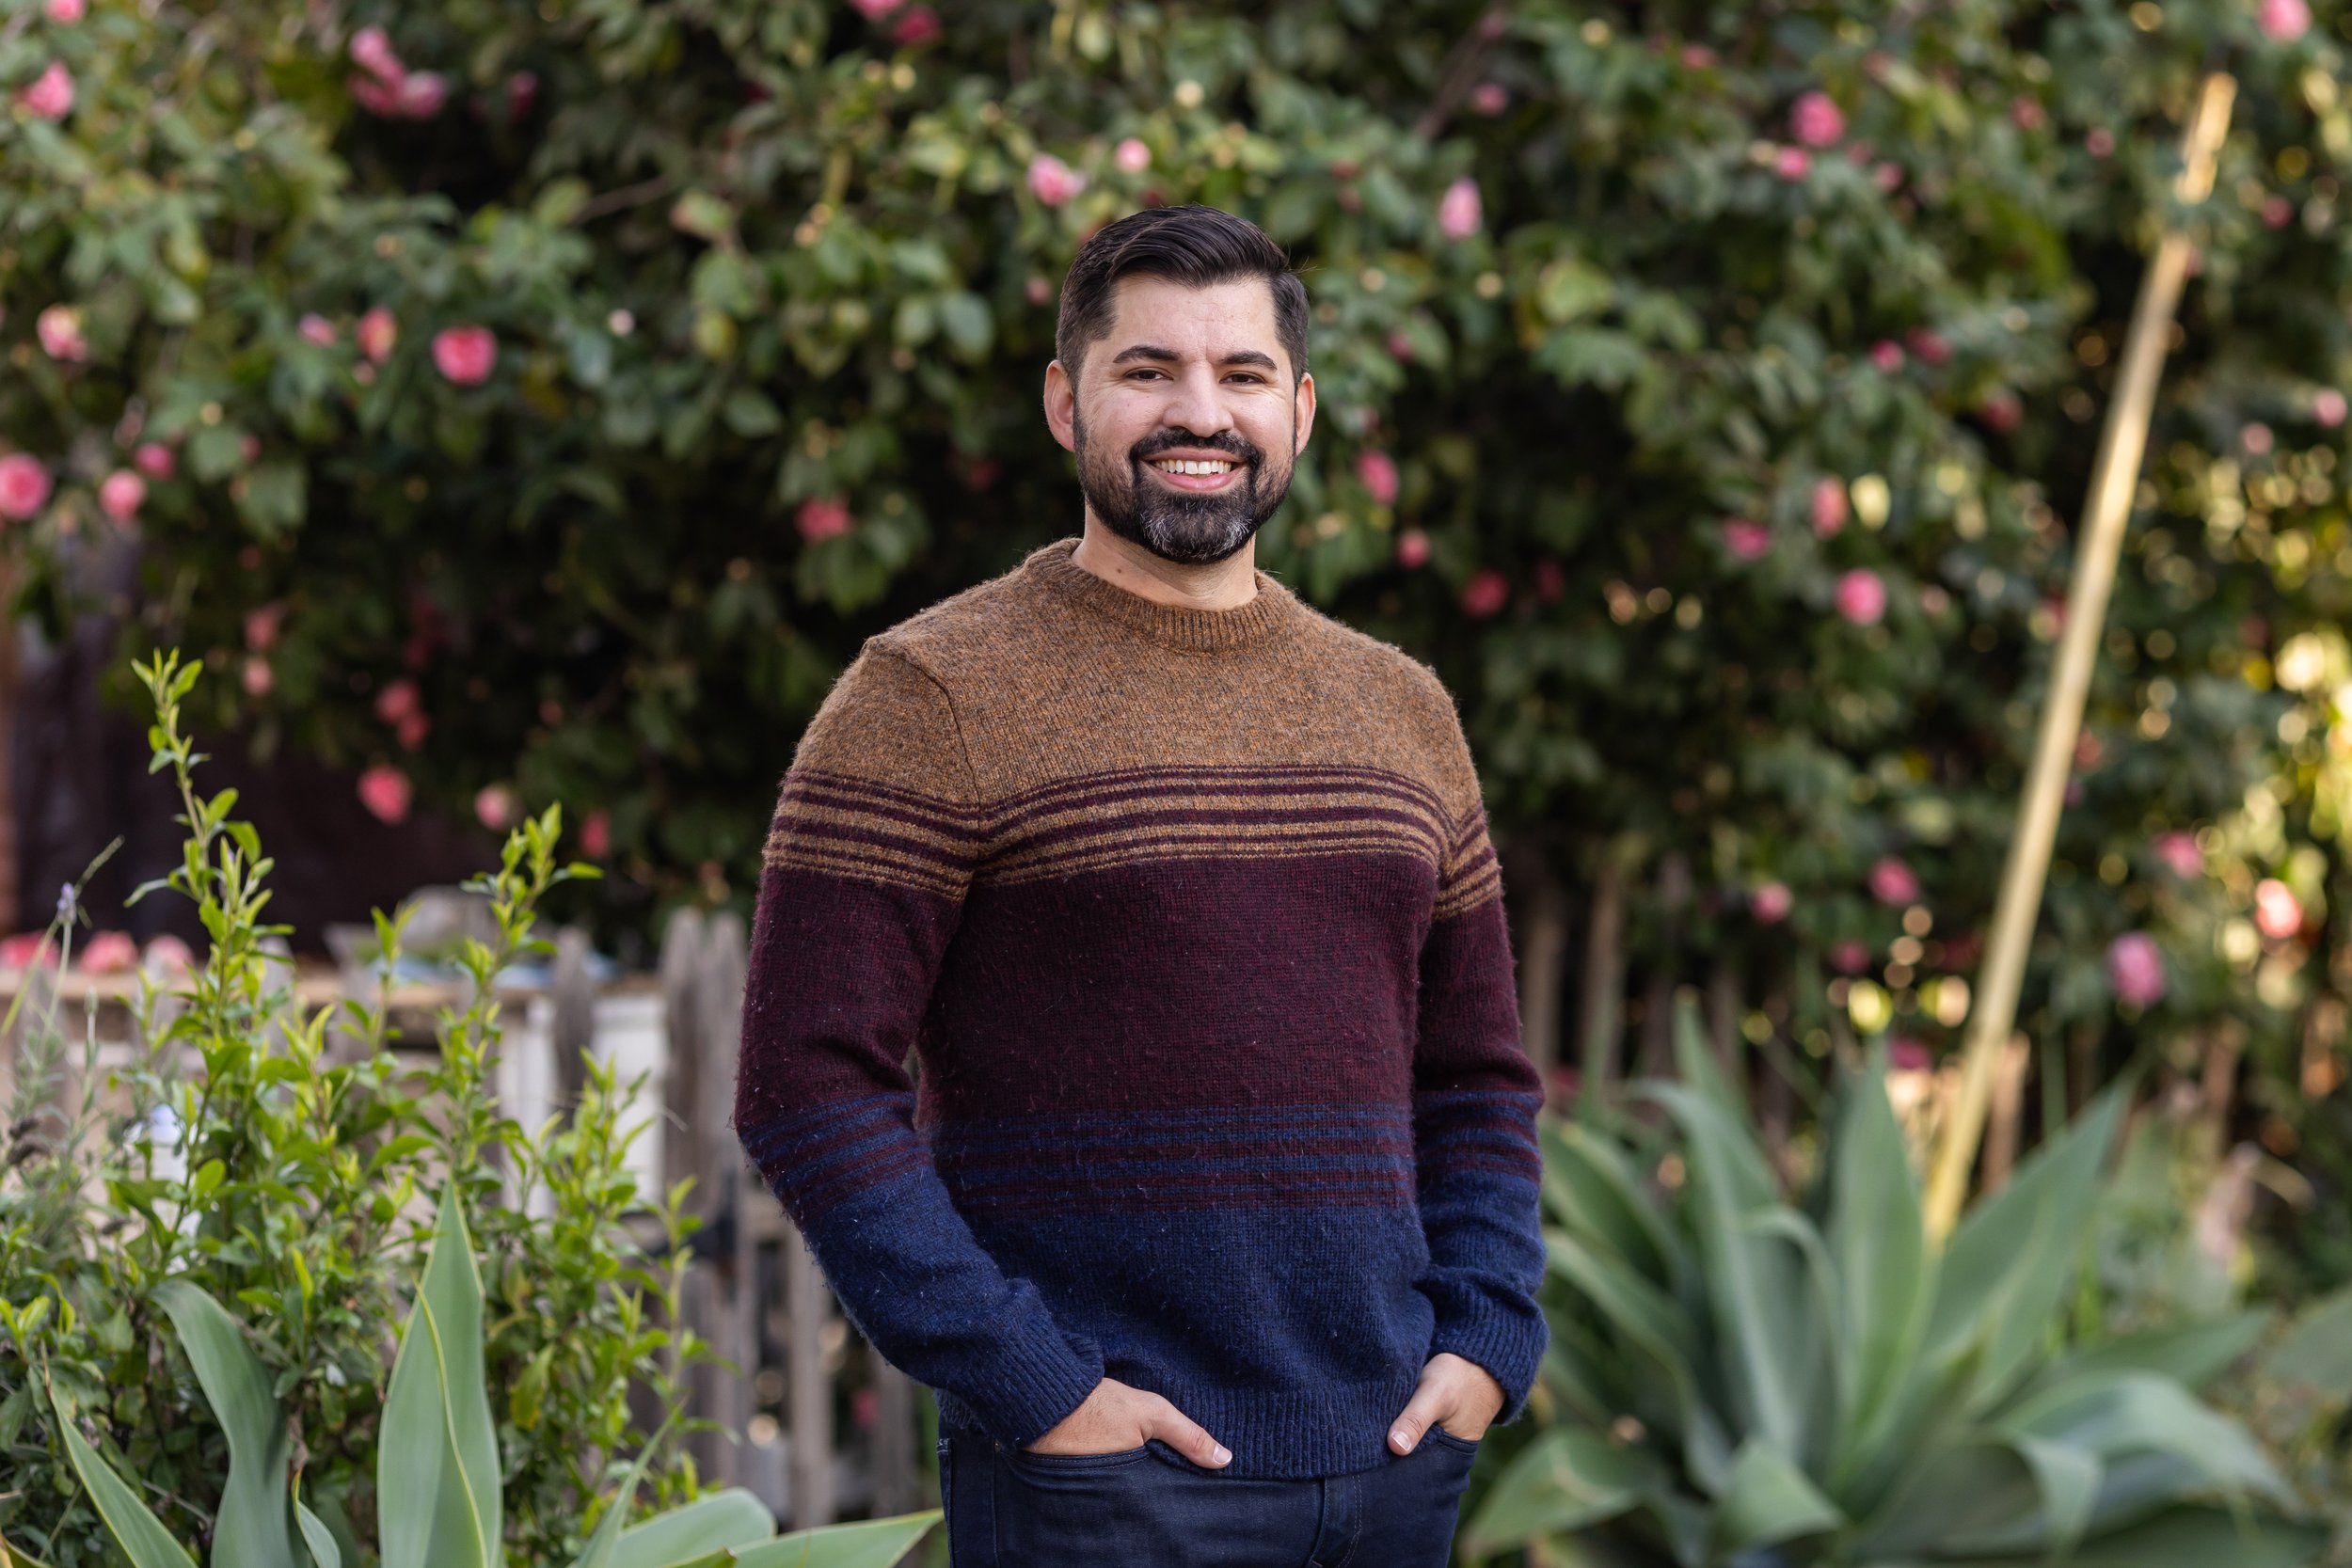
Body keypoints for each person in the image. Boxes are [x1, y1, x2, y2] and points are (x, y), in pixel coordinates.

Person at [735, 203, 1547, 1565]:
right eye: (1148, 370)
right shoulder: (930, 692)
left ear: (1298, 410)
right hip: (1102, 1493)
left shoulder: (1400, 710)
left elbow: (1477, 1078)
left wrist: (1484, 1339)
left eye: (1239, 377)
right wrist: (1035, 1389)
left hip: (1394, 1469)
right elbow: (805, 1083)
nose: (1199, 413)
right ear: (1066, 403)